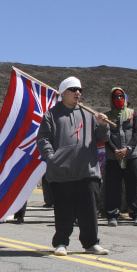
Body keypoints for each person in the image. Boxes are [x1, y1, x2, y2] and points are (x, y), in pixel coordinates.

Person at [36, 76, 110, 256]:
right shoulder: (51, 115)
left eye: (80, 90)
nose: (78, 93)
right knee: (63, 210)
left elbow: (102, 138)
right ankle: (61, 242)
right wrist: (51, 158)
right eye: (74, 89)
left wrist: (102, 126)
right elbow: (43, 139)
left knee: (89, 211)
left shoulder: (90, 114)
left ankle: (91, 243)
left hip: (87, 170)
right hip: (62, 172)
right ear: (63, 92)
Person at [103, 88, 137, 226]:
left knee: (134, 185)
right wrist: (115, 150)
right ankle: (112, 214)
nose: (119, 99)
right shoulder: (107, 116)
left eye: (121, 96)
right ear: (111, 98)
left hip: (130, 156)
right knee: (113, 186)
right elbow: (106, 136)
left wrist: (128, 149)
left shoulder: (133, 114)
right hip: (113, 157)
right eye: (116, 96)